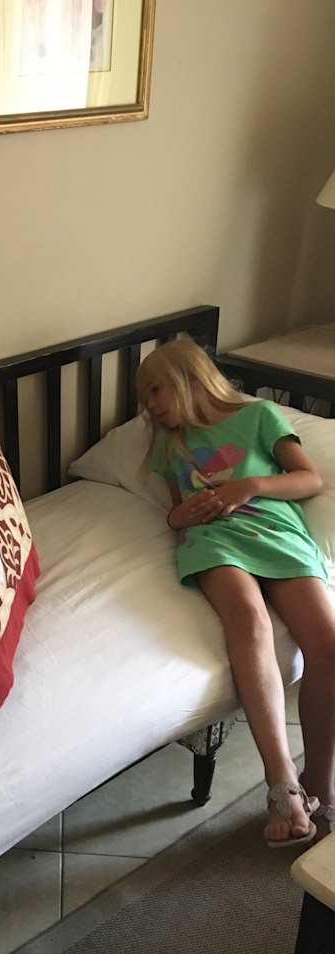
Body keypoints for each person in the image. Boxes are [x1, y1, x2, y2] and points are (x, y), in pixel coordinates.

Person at [136, 338, 335, 846]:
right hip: (215, 540)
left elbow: (309, 479)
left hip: (276, 531)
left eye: (156, 390)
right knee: (249, 621)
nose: (150, 405)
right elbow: (176, 511)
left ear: (189, 378)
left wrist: (249, 486)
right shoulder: (169, 444)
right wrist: (181, 516)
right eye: (145, 396)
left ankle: (320, 782)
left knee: (328, 644)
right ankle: (282, 783)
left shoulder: (258, 417)